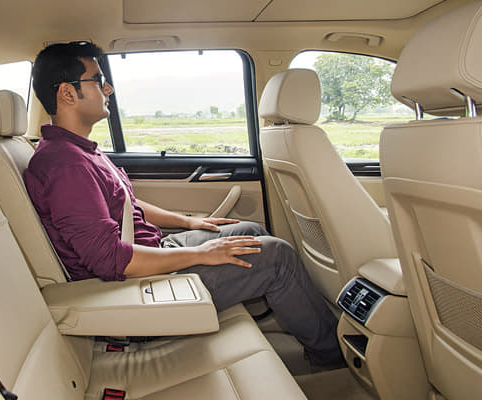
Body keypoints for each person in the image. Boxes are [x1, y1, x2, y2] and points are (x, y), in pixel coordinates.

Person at [24, 41, 342, 367]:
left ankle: (307, 328)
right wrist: (200, 254)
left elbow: (126, 204)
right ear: (68, 93)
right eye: (98, 79)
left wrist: (188, 222)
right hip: (130, 287)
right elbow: (108, 259)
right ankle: (332, 359)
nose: (109, 88)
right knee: (277, 258)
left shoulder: (81, 151)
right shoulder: (65, 165)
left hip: (149, 251)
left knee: (250, 231)